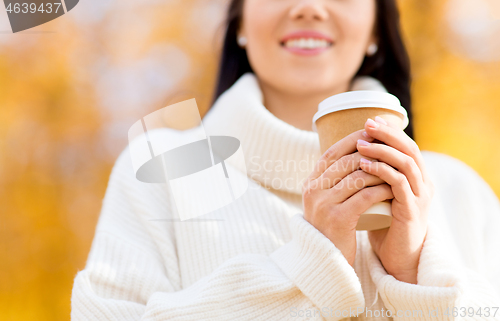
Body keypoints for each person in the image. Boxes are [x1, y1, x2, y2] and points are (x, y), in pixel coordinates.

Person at [71, 0, 500, 319]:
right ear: (238, 20)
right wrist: (307, 269)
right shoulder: (160, 170)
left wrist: (414, 273)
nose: (309, 8)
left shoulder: (460, 191)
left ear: (375, 28)